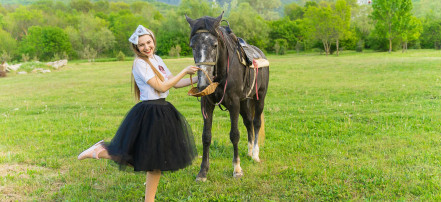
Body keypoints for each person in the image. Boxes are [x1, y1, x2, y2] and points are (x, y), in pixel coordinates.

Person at [77, 25, 198, 202]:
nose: (146, 47)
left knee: (156, 163)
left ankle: (149, 200)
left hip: (163, 111)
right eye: (141, 45)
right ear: (136, 47)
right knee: (140, 157)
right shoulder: (139, 63)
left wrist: (199, 79)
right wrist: (184, 71)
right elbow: (162, 86)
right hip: (150, 113)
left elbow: (174, 83)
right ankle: (100, 151)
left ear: (153, 41)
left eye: (148, 42)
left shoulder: (157, 59)